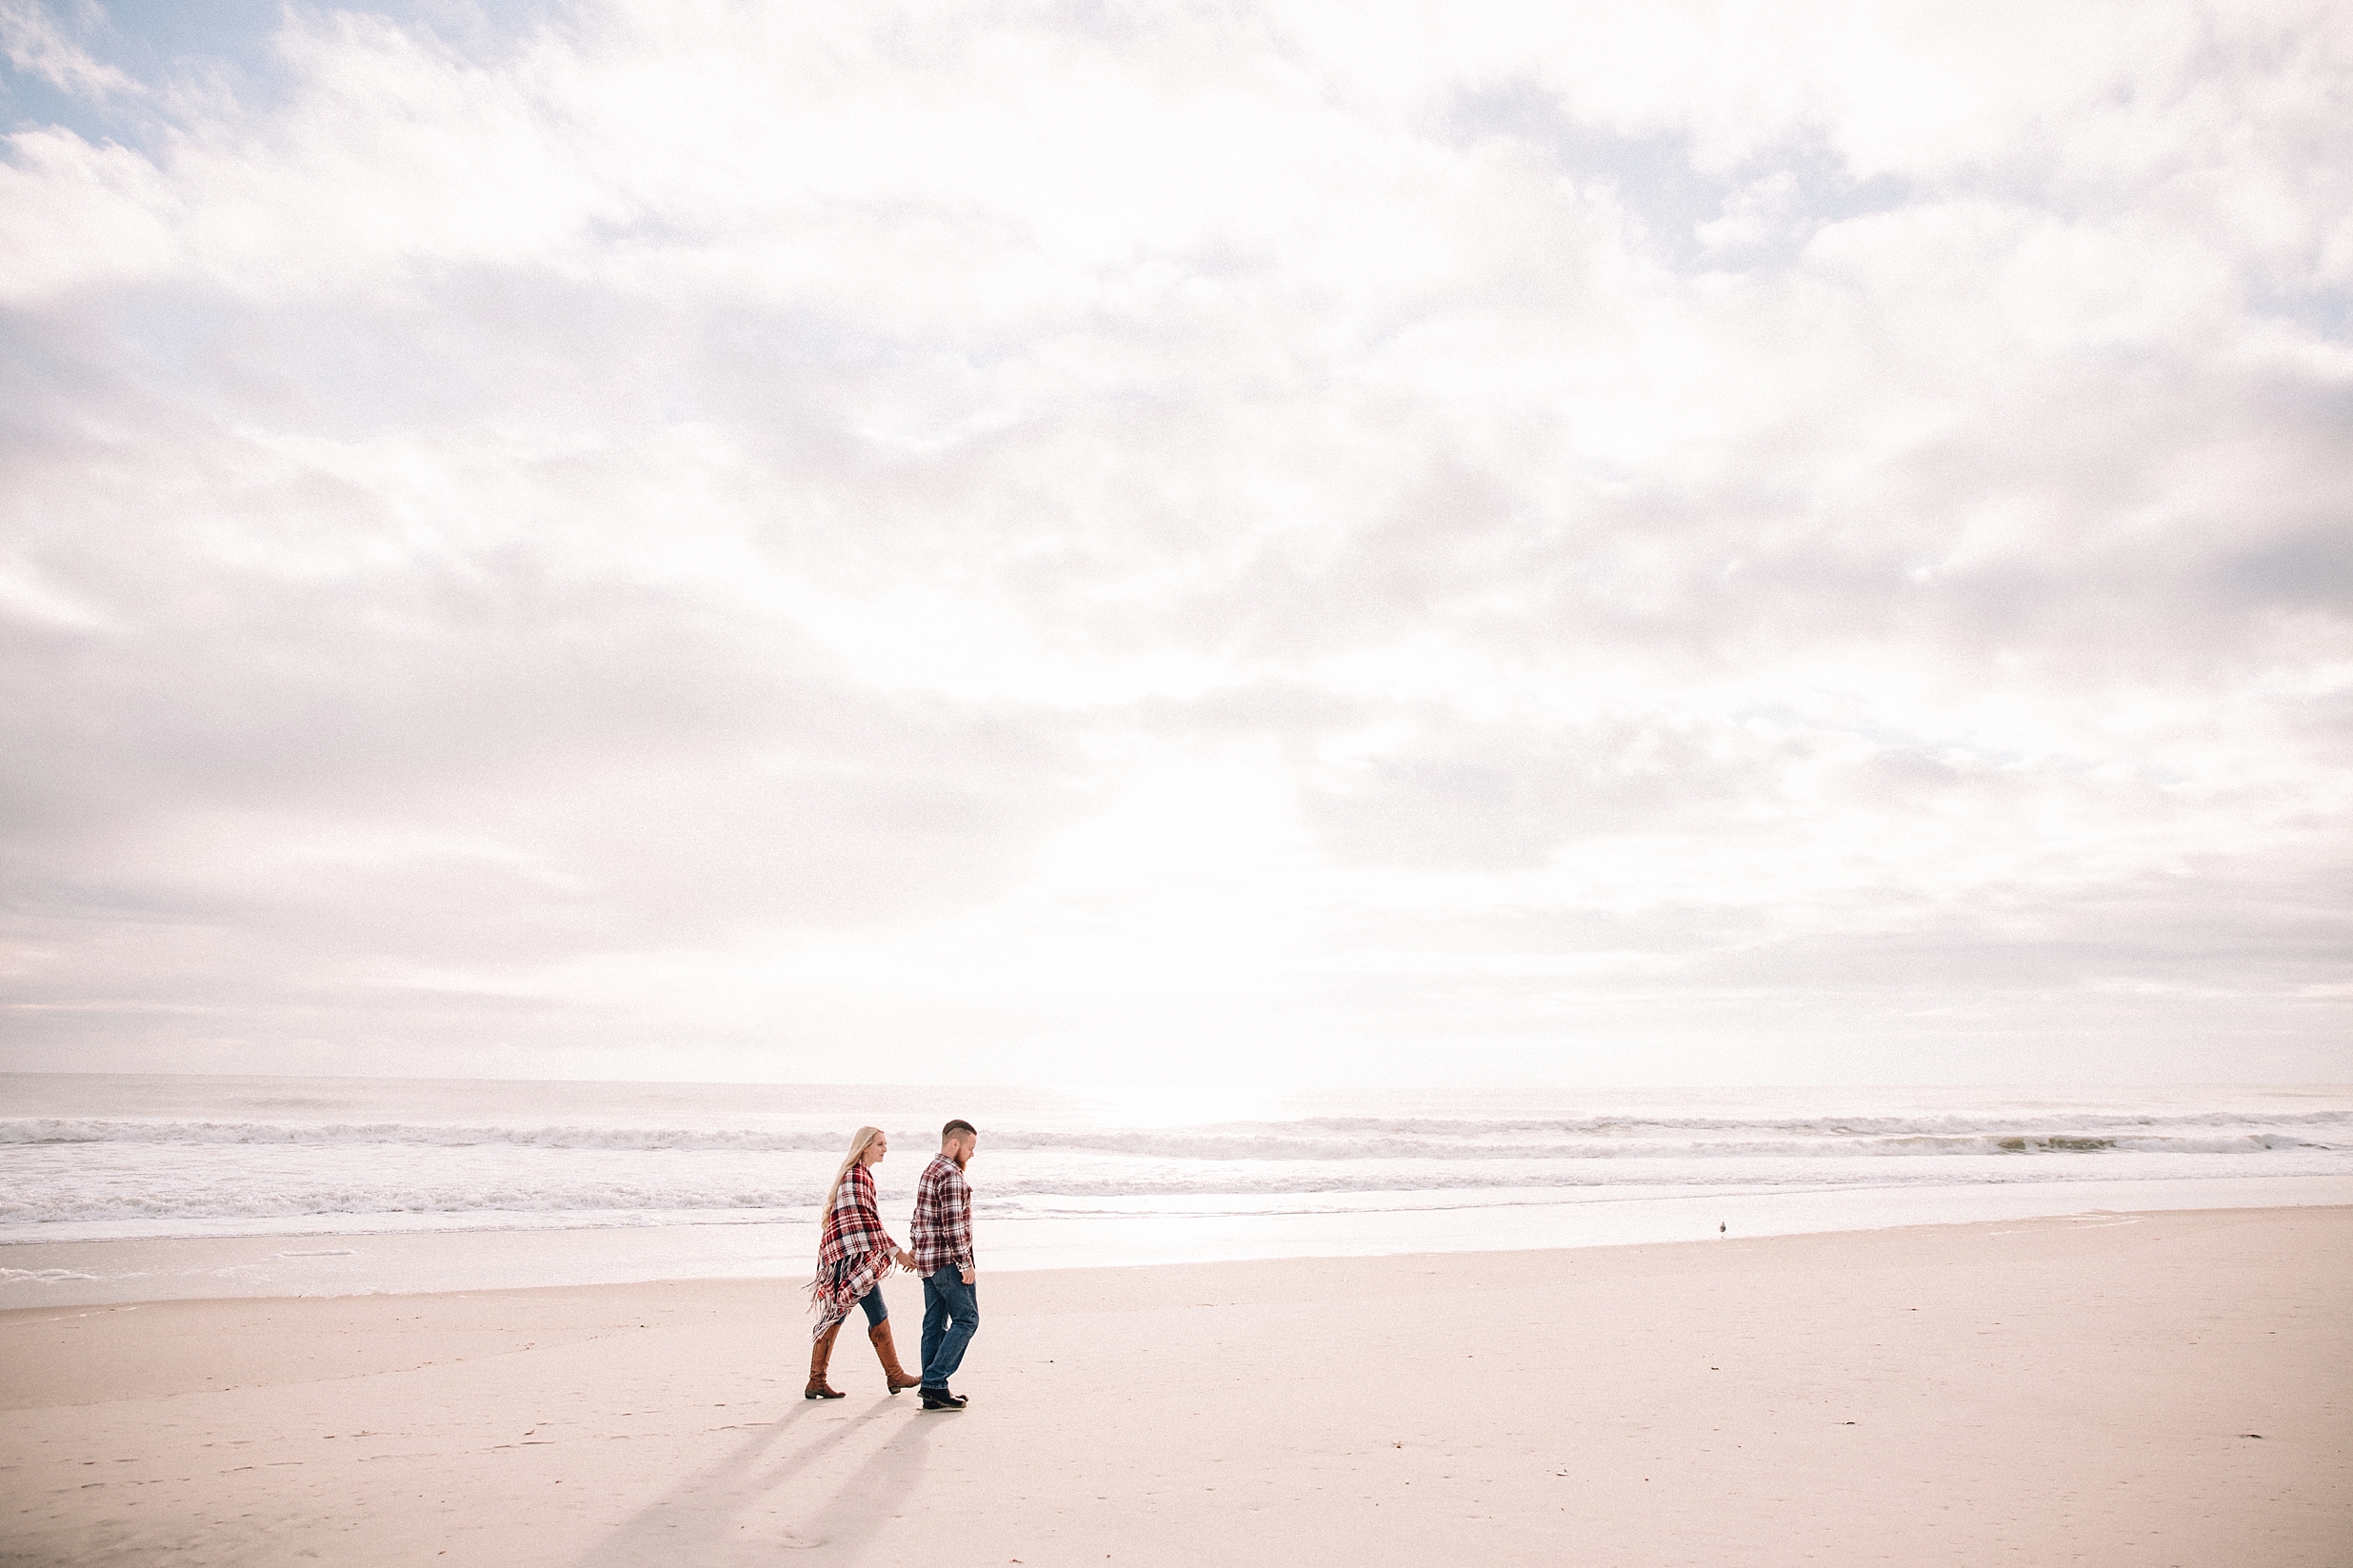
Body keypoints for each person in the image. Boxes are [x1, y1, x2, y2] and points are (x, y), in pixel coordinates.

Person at [805, 1126, 923, 1399]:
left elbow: (866, 1224)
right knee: (843, 1314)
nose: (885, 1149)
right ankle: (891, 1375)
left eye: (885, 1143)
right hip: (848, 1261)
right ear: (865, 1147)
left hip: (852, 1259)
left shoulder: (860, 1175)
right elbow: (869, 1224)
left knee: (849, 1312)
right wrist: (898, 1253)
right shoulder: (857, 1177)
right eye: (880, 1144)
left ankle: (819, 1380)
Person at [910, 1119, 980, 1411]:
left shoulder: (930, 1169)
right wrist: (966, 1265)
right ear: (955, 1144)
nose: (972, 1154)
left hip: (928, 1262)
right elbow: (953, 1227)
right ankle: (935, 1382)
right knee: (967, 1320)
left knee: (934, 1325)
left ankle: (933, 1390)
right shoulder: (951, 1175)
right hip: (948, 1262)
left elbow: (918, 1216)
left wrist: (916, 1248)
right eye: (970, 1147)